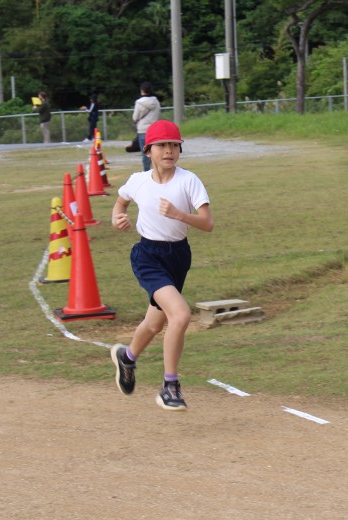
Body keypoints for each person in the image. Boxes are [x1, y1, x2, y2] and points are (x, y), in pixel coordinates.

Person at [110, 120, 214, 411]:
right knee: (180, 315)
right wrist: (117, 218)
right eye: (161, 145)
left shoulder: (189, 180)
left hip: (178, 257)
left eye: (174, 145)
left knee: (156, 322)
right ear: (149, 150)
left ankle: (127, 358)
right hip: (148, 256)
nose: (168, 151)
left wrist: (181, 215)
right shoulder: (137, 181)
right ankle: (170, 386)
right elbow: (120, 204)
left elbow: (207, 223)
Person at [132, 81, 161, 171]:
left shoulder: (139, 103)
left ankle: (147, 172)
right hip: (154, 129)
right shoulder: (155, 101)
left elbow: (135, 117)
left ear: (142, 90)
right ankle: (158, 170)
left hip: (143, 130)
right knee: (156, 151)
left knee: (145, 153)